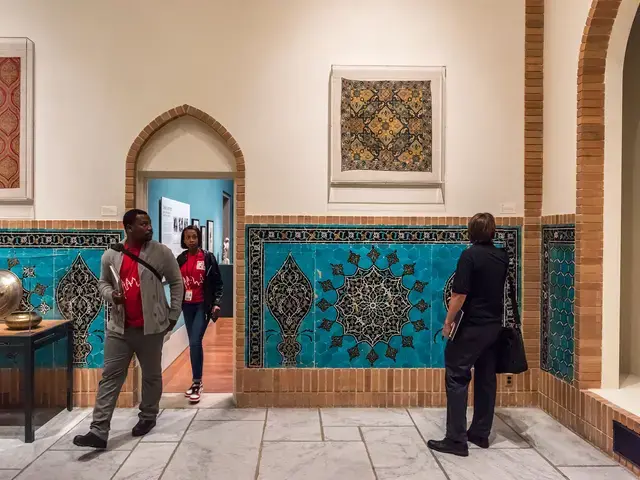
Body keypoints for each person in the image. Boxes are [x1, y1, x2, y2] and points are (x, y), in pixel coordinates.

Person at [73, 209, 184, 449]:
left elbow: (177, 282)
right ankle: (98, 431)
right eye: (143, 224)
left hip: (151, 328)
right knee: (110, 377)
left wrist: (174, 314)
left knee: (152, 375)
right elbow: (102, 282)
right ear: (128, 227)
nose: (148, 227)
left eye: (149, 223)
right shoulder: (111, 254)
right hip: (119, 328)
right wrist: (112, 295)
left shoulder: (161, 253)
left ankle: (148, 417)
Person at [428, 212, 509, 457]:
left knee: (456, 375)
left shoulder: (469, 255)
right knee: (486, 378)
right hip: (493, 327)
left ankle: (455, 439)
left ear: (471, 231)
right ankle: (480, 433)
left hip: (471, 326)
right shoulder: (502, 256)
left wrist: (448, 322)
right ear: (492, 231)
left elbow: (459, 294)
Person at [176, 225, 223, 403]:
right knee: (193, 343)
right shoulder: (180, 259)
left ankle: (197, 382)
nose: (191, 240)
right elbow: (175, 282)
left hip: (203, 305)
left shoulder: (208, 258)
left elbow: (218, 283)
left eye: (194, 237)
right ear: (184, 240)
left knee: (195, 341)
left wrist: (216, 304)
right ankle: (196, 381)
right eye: (188, 237)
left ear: (199, 238)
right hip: (187, 306)